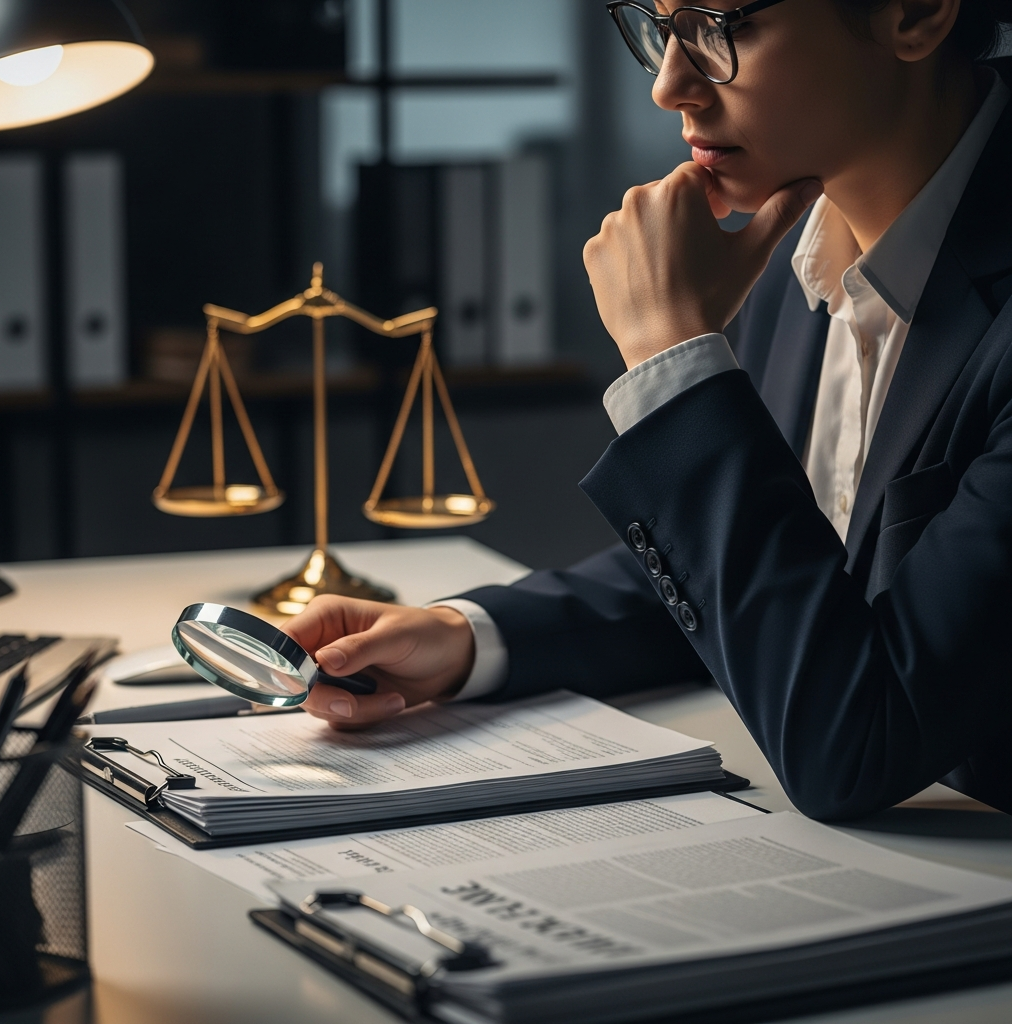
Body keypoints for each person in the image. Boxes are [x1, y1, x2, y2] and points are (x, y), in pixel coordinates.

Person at [285, 0, 1012, 819]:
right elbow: (757, 576)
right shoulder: (798, 239)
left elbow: (854, 743)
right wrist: (467, 638)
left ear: (912, 14)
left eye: (721, 28)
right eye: (659, 26)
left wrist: (672, 352)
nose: (670, 86)